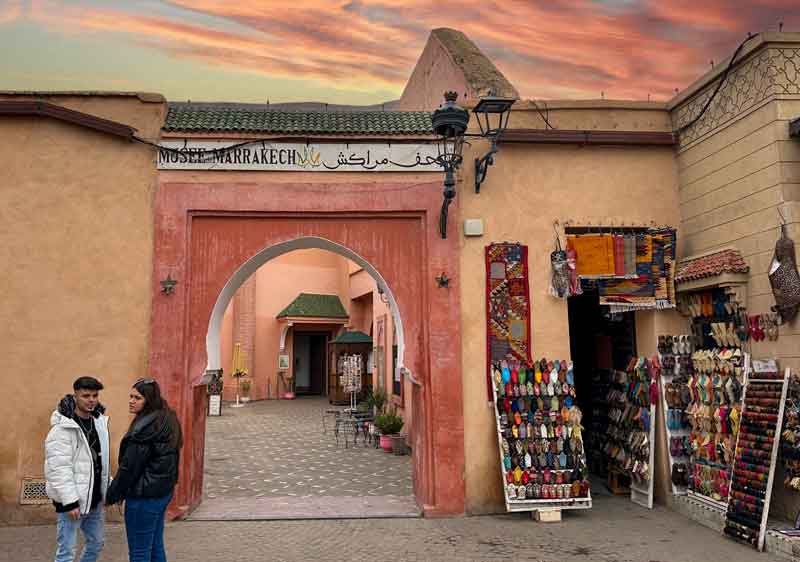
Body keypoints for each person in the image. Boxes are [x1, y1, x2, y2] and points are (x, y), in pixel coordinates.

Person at [106, 378, 183, 562]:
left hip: (143, 498)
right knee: (155, 546)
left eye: (137, 398)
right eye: (131, 396)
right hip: (162, 493)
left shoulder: (144, 430)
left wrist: (111, 496)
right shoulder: (167, 418)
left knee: (139, 552)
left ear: (149, 400)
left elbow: (128, 469)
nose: (131, 401)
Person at [45, 376, 110, 562]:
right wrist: (70, 501)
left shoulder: (99, 423)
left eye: (95, 395)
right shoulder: (62, 428)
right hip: (72, 503)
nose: (91, 400)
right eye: (86, 396)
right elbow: (58, 468)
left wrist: (107, 489)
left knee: (96, 544)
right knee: (66, 552)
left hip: (95, 498)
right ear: (75, 396)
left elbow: (101, 461)